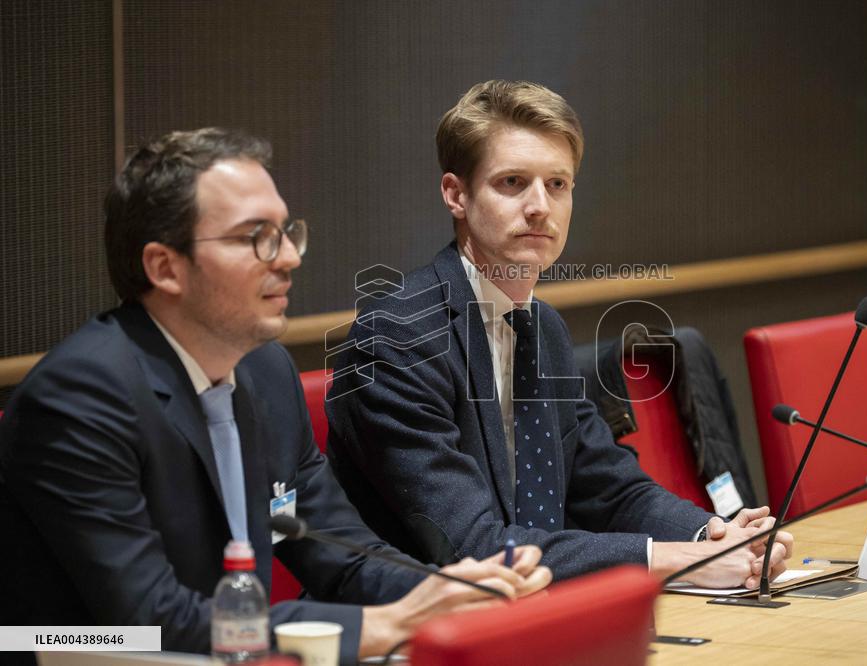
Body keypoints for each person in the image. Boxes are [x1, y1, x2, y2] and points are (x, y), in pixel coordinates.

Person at [0, 127, 550, 664]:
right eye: (255, 236)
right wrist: (378, 626)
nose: (289, 256)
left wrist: (444, 589)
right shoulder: (79, 398)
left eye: (287, 232)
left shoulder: (264, 371)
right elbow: (146, 622)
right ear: (165, 267)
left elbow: (340, 553)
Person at [328, 80, 792, 585]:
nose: (539, 207)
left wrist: (713, 534)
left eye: (557, 184)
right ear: (455, 195)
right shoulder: (397, 340)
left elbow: (608, 487)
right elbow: (476, 549)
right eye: (512, 183)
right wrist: (679, 561)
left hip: (538, 614)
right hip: (420, 634)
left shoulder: (540, 326)